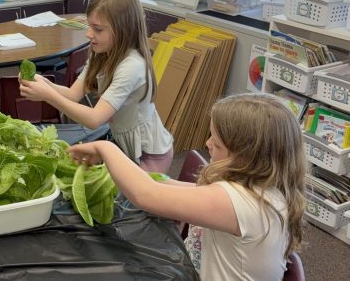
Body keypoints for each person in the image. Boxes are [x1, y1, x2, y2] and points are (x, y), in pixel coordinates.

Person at [67, 93, 307, 280]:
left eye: (217, 143)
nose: (208, 143)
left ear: (247, 156)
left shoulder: (239, 203)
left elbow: (146, 195)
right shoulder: (261, 191)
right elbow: (175, 188)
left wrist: (106, 149)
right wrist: (139, 174)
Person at [19, 0, 173, 174]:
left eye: (98, 29)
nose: (89, 34)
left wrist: (48, 95)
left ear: (123, 31)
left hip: (149, 155)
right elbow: (73, 94)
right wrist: (43, 83)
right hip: (125, 146)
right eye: (89, 26)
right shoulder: (102, 53)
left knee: (134, 199)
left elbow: (94, 119)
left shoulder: (132, 66)